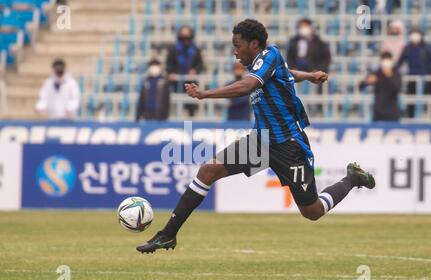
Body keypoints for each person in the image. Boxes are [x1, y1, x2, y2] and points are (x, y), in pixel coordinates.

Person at [137, 19, 375, 254]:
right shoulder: (262, 63)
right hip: (260, 142)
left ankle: (352, 178)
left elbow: (246, 87)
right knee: (208, 171)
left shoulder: (269, 54)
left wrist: (205, 94)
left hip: (288, 145)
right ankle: (168, 234)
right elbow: (287, 72)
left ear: (254, 44)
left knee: (312, 211)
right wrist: (309, 75)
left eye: (238, 45)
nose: (234, 51)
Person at [166, 25, 205, 117]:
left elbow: (200, 64)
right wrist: (171, 73)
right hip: (176, 82)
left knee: (191, 106)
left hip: (191, 82)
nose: (185, 39)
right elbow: (169, 64)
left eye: (187, 37)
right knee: (176, 105)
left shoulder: (195, 49)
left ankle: (190, 126)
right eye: (183, 37)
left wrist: (195, 70)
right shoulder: (174, 49)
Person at [396, 27, 431, 118]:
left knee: (425, 99)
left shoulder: (427, 47)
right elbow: (400, 62)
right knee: (411, 99)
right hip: (411, 77)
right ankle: (410, 116)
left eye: (416, 33)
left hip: (425, 77)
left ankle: (425, 116)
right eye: (412, 33)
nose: (414, 36)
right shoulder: (407, 48)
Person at [360, 51, 402, 122]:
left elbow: (397, 88)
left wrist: (389, 76)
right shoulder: (376, 73)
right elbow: (361, 86)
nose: (386, 63)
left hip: (392, 112)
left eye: (388, 60)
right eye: (384, 60)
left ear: (391, 61)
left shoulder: (396, 74)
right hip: (378, 112)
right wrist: (367, 81)